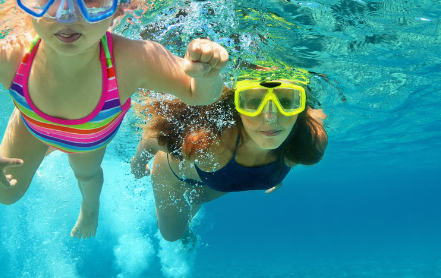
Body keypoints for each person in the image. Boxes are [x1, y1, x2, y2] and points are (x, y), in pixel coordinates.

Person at [0, 0, 228, 239]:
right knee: (3, 194)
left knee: (85, 174)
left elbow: (199, 94)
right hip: (32, 126)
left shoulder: (131, 60)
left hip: (88, 138)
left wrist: (207, 74)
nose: (67, 13)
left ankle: (90, 210)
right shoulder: (12, 56)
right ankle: (41, 137)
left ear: (117, 7)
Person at [131, 78, 327, 242]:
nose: (270, 118)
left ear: (300, 108)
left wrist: (278, 172)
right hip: (175, 176)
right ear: (237, 106)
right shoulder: (209, 142)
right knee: (172, 235)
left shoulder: (309, 141)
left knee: (198, 198)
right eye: (253, 102)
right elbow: (151, 139)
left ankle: (195, 200)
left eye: (285, 102)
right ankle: (185, 230)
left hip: (218, 179)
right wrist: (138, 164)